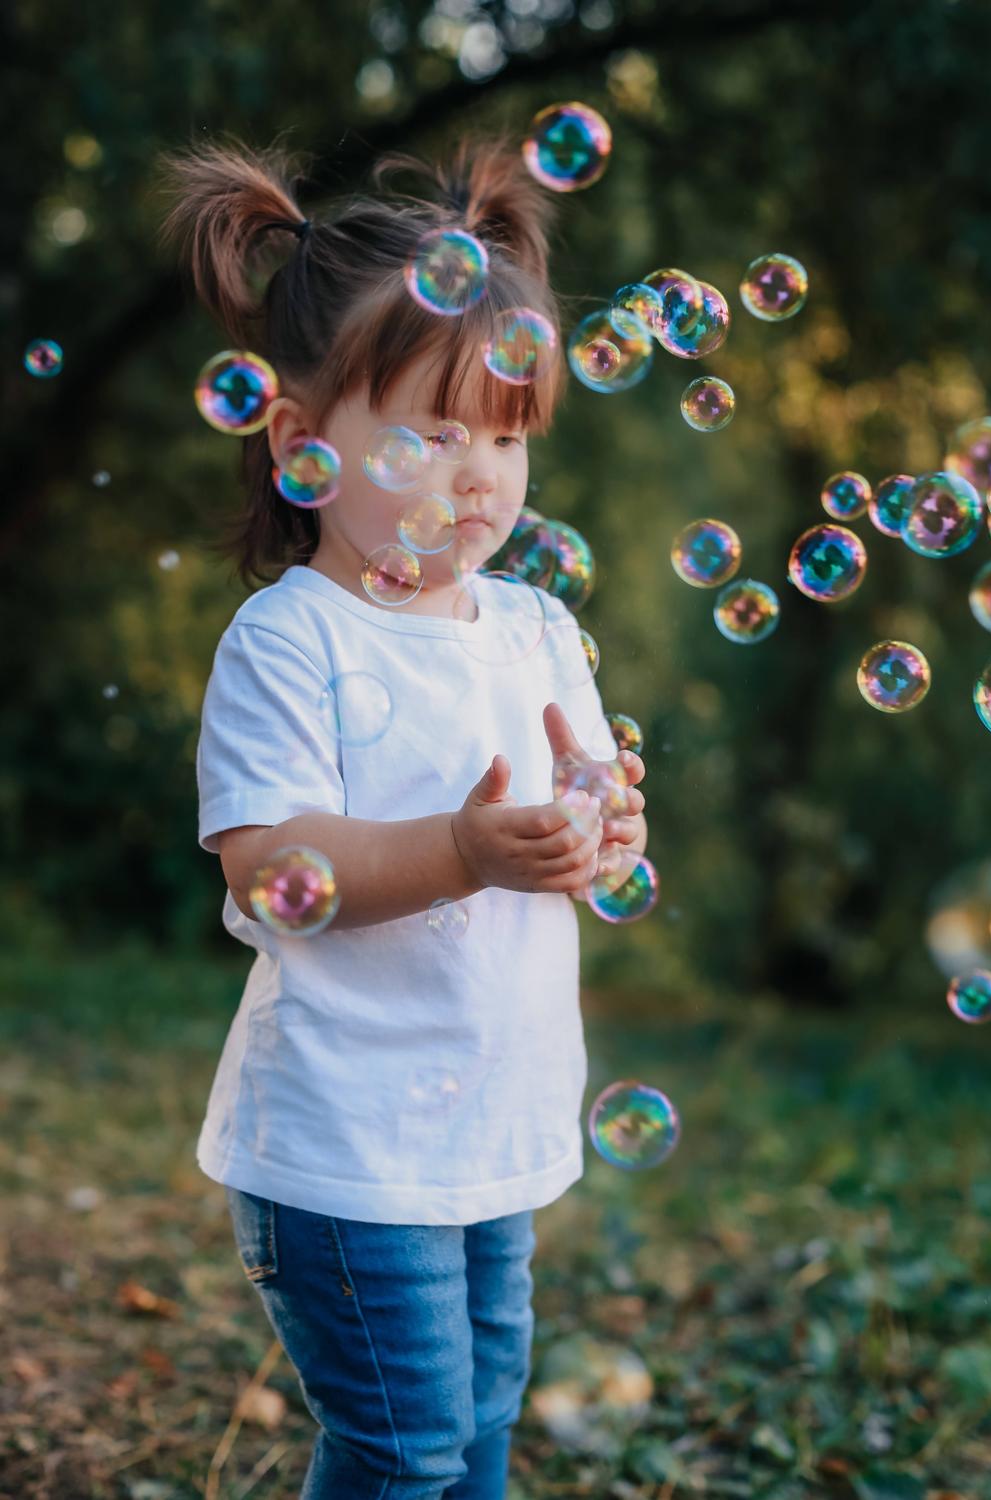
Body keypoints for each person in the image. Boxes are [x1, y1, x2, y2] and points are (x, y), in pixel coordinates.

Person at [155, 131, 647, 1499]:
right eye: (432, 433)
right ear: (302, 444)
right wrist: (463, 850)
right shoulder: (291, 640)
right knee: (402, 1443)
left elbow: (587, 811)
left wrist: (602, 835)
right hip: (349, 1145)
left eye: (505, 435)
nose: (478, 473)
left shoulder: (537, 626)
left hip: (494, 1126)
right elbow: (272, 866)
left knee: (481, 1419)